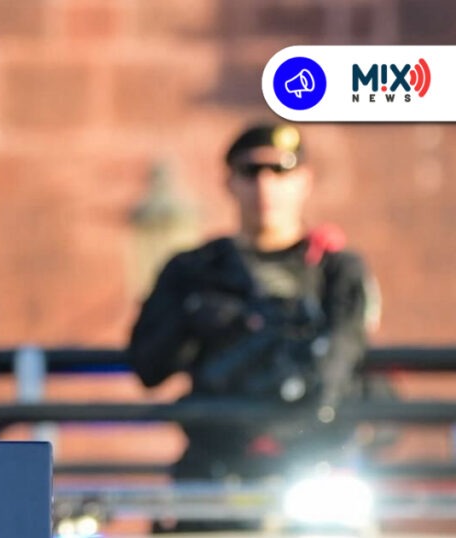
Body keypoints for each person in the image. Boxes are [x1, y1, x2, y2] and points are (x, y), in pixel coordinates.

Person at [127, 122, 374, 531]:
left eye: (280, 170)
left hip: (316, 467)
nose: (264, 186)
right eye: (250, 171)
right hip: (216, 470)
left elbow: (342, 356)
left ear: (305, 180)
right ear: (229, 182)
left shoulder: (336, 271)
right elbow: (148, 366)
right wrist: (200, 316)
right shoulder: (195, 270)